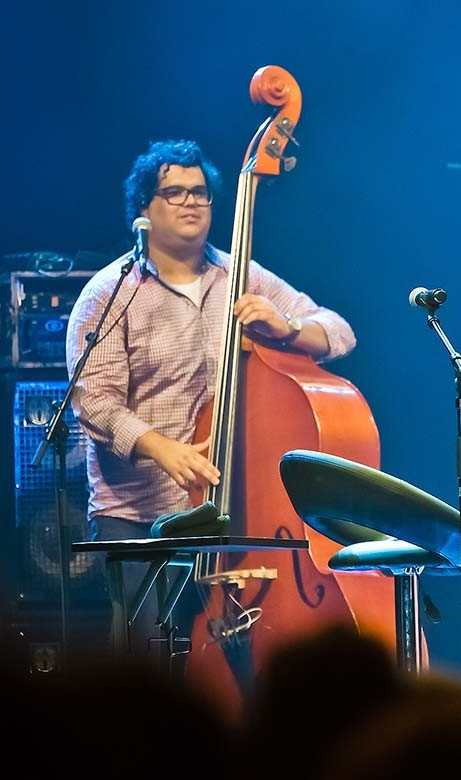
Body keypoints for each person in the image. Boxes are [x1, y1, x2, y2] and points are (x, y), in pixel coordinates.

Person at [65, 139, 356, 650]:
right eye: (174, 192)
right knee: (149, 661)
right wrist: (162, 448)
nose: (191, 202)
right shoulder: (109, 293)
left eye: (200, 192)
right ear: (143, 209)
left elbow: (339, 332)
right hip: (139, 516)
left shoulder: (241, 275)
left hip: (228, 513)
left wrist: (287, 327)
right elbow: (95, 403)